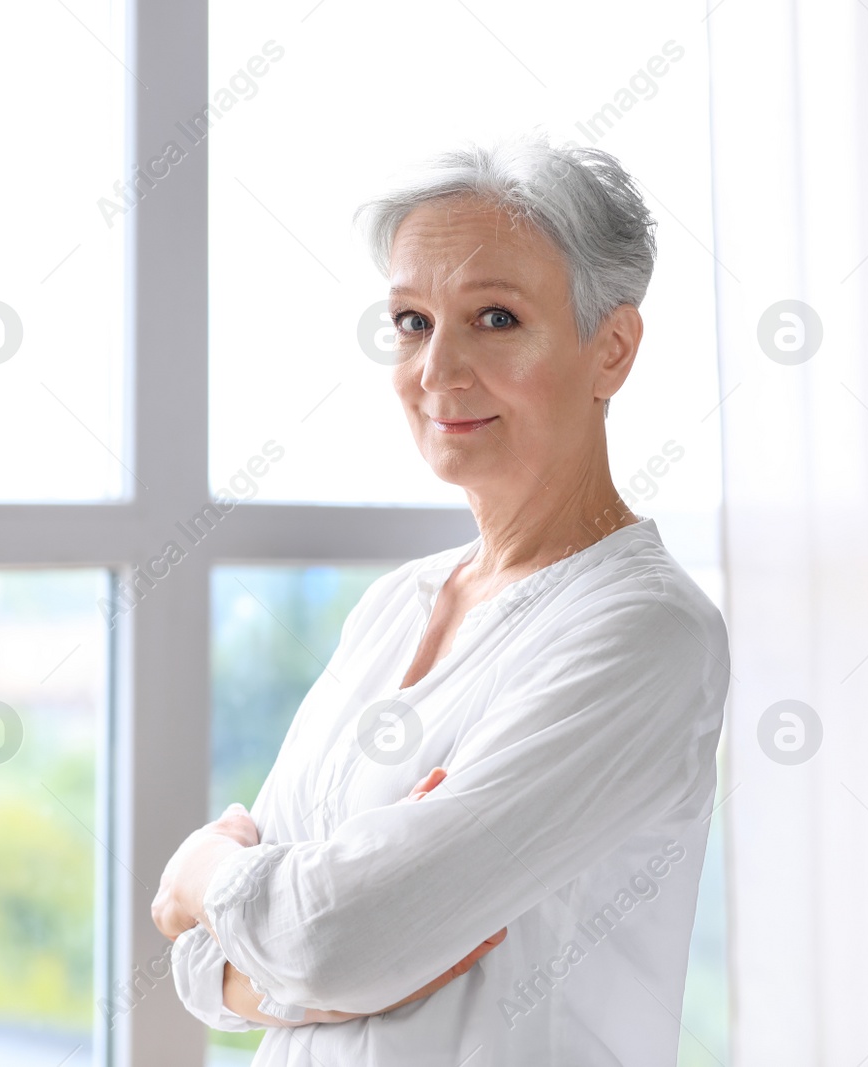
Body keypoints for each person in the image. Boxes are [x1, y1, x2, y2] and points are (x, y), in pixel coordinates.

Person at [151, 132, 730, 1065]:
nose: (437, 371)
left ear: (612, 348)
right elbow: (209, 966)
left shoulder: (645, 632)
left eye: (495, 318)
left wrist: (203, 869)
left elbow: (332, 939)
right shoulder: (392, 606)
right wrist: (290, 923)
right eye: (413, 321)